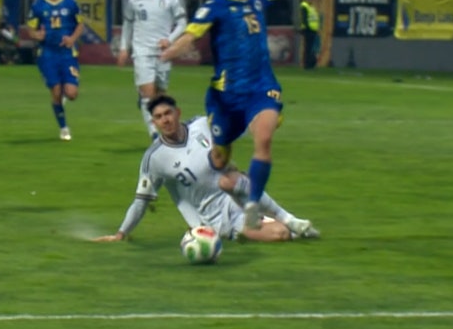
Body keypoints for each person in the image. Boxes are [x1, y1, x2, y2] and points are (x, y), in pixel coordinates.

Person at [160, 0, 326, 229]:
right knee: (220, 162)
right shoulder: (215, 6)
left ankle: (252, 204)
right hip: (225, 98)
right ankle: (239, 195)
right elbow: (191, 34)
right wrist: (172, 50)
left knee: (263, 137)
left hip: (261, 88)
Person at [92, 94, 319, 243]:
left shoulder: (202, 125)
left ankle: (288, 218)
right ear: (154, 123)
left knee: (228, 180)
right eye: (159, 117)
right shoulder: (155, 158)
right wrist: (121, 234)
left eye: (168, 114)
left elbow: (226, 140)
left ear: (178, 112)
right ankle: (287, 227)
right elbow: (141, 201)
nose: (165, 120)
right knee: (279, 234)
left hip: (237, 191)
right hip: (217, 218)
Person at [116, 0, 186, 137]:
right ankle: (155, 135)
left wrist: (169, 40)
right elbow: (127, 26)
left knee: (160, 96)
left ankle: (146, 102)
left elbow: (182, 23)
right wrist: (124, 48)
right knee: (149, 94)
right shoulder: (134, 2)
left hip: (163, 53)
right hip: (142, 52)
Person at [27, 0, 84, 141]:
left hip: (67, 53)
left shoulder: (70, 3)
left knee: (72, 94)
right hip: (47, 54)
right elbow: (30, 30)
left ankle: (62, 100)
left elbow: (80, 24)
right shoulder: (38, 5)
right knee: (56, 92)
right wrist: (38, 35)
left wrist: (72, 38)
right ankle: (64, 128)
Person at [299, 0, 321, 70]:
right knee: (307, 48)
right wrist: (306, 27)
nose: (311, 0)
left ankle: (311, 64)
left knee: (311, 48)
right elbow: (304, 18)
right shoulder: (305, 6)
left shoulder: (312, 8)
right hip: (308, 30)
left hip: (313, 30)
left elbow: (314, 19)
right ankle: (307, 64)